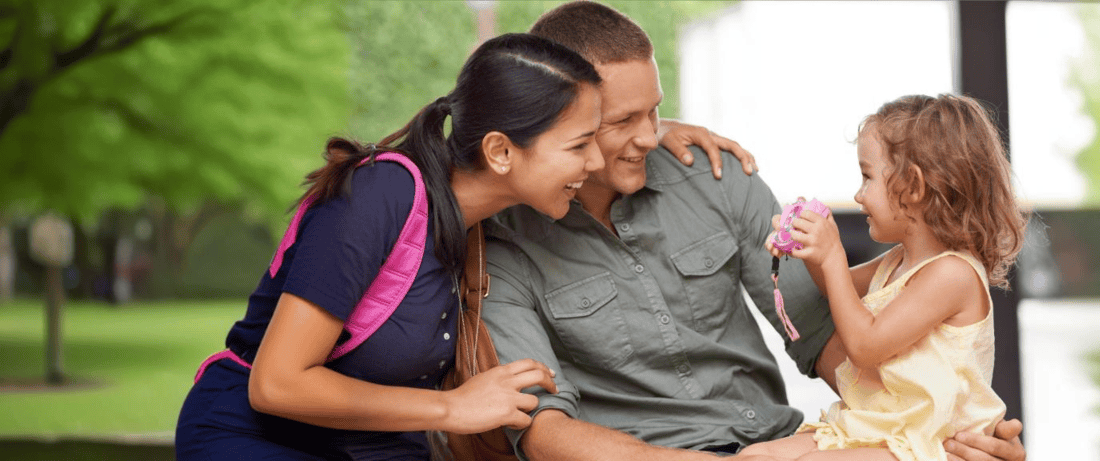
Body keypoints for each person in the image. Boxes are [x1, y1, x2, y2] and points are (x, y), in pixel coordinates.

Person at [480, 3, 1027, 460]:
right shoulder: (504, 241)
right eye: (623, 120)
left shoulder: (718, 179)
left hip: (770, 439)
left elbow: (824, 338)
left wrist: (947, 437)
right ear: (563, 118)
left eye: (655, 113)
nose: (649, 137)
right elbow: (543, 430)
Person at [175, 33, 604, 460]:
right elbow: (277, 384)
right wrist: (452, 407)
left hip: (375, 448)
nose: (596, 161)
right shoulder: (379, 195)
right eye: (580, 145)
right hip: (255, 437)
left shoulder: (484, 223)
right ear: (500, 151)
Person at [742, 94, 1027, 461]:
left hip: (924, 442)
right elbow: (834, 286)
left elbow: (865, 347)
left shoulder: (953, 274)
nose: (858, 194)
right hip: (879, 430)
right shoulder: (897, 261)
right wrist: (812, 247)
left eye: (867, 177)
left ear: (914, 187)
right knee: (754, 455)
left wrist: (832, 255)